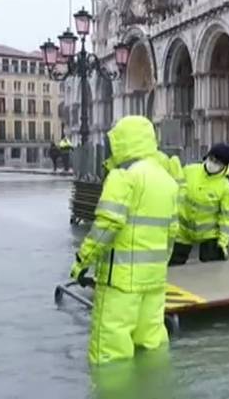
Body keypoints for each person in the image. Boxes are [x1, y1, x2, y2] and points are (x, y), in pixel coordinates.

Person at [68, 115, 179, 365]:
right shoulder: (166, 180)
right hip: (154, 281)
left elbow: (107, 226)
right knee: (152, 343)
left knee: (109, 354)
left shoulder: (123, 176)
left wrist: (82, 260)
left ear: (123, 143)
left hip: (120, 283)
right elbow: (172, 233)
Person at [168, 144, 229, 265]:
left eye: (218, 162)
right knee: (173, 267)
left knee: (212, 271)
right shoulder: (190, 171)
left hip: (209, 235)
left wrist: (222, 243)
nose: (212, 164)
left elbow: (227, 218)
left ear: (224, 166)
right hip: (183, 230)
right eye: (211, 159)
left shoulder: (226, 187)